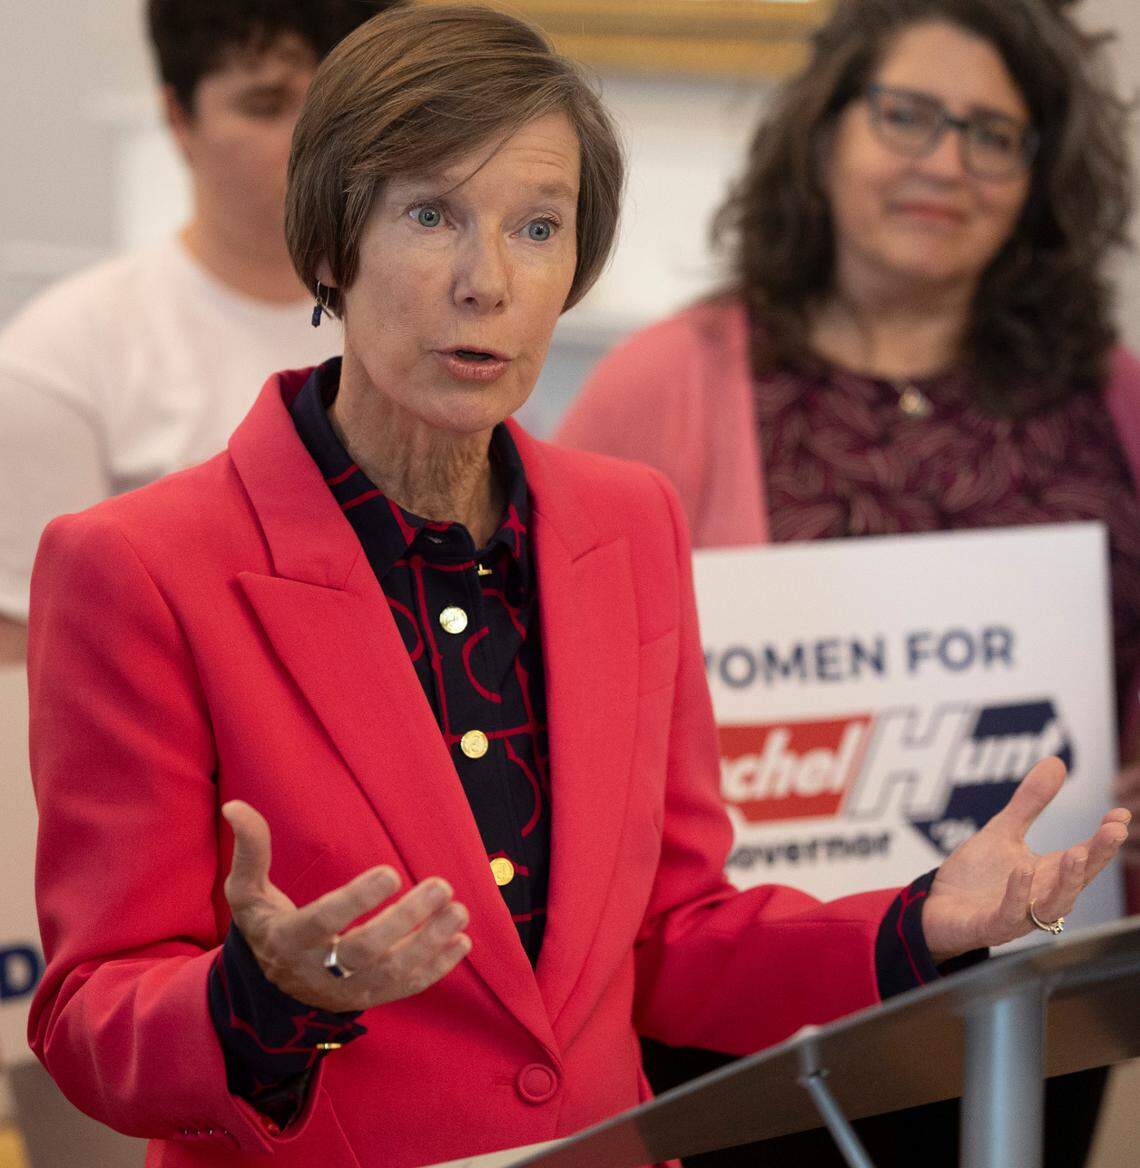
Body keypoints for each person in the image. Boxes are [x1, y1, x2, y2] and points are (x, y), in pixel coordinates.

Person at [25, 7, 1129, 1168]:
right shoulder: (138, 564)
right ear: (327, 246)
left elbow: (672, 941)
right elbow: (87, 1019)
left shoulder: (627, 522)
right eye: (431, 214)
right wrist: (264, 995)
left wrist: (918, 923)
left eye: (538, 226)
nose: (486, 280)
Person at [555, 0, 1140, 1162]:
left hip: (1034, 999)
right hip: (756, 1016)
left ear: (1040, 177)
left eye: (992, 134)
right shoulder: (667, 382)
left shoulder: (1110, 395)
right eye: (909, 115)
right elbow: (559, 679)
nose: (946, 162)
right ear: (823, 138)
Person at [0, 0, 400, 666]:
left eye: (339, 106)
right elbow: (27, 676)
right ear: (180, 119)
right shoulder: (62, 360)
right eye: (266, 106)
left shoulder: (433, 329)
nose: (312, 142)